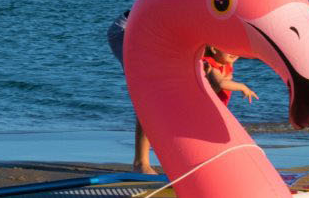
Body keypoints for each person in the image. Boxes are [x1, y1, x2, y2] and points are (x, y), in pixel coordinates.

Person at [109, 10, 256, 172]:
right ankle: (141, 163)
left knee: (163, 101)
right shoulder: (206, 57)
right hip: (128, 31)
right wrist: (240, 86)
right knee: (151, 99)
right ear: (214, 48)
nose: (234, 53)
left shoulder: (216, 57)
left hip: (151, 30)